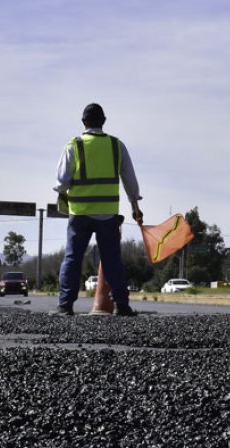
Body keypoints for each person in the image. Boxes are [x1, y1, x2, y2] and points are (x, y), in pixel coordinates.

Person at [52, 103, 144, 316]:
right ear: (104, 121)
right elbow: (130, 181)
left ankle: (65, 306)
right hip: (108, 214)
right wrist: (135, 206)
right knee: (112, 260)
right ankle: (121, 305)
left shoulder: (73, 146)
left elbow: (61, 183)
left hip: (80, 213)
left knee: (73, 258)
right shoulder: (116, 146)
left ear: (83, 122)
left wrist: (63, 190)